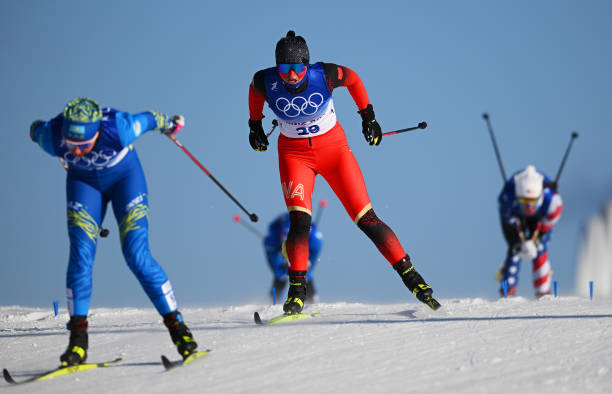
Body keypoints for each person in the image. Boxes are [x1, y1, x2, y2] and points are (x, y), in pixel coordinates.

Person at [247, 31, 440, 314]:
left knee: (367, 219)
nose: (291, 75)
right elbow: (254, 91)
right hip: (294, 155)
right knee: (299, 222)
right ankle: (297, 293)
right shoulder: (265, 80)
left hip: (334, 151)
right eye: (284, 68)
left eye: (297, 67)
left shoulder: (323, 74)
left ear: (307, 64)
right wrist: (254, 125)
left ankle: (414, 280)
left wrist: (368, 117)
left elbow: (354, 79)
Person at [30, 98, 198, 365]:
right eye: (71, 146)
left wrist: (171, 124)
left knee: (136, 254)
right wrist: (38, 129)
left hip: (125, 180)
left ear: (97, 132)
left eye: (84, 145)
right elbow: (36, 129)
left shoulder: (120, 128)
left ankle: (180, 332)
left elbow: (152, 116)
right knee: (81, 255)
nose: (78, 151)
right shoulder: (52, 136)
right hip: (84, 185)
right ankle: (78, 345)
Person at [497, 165, 563, 298]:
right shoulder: (507, 197)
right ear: (517, 197)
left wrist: (537, 237)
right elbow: (506, 216)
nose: (529, 207)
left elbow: (552, 216)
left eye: (533, 201)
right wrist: (520, 237)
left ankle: (543, 291)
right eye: (524, 201)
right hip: (515, 215)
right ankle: (507, 290)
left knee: (540, 248)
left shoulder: (552, 201)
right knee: (516, 247)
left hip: (541, 218)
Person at [264, 212, 323, 302]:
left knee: (305, 271)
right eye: (286, 237)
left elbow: (313, 255)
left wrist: (307, 263)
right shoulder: (272, 237)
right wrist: (281, 265)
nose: (292, 241)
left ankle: (311, 298)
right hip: (278, 249)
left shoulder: (314, 238)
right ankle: (273, 299)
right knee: (280, 273)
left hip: (308, 247)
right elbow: (273, 257)